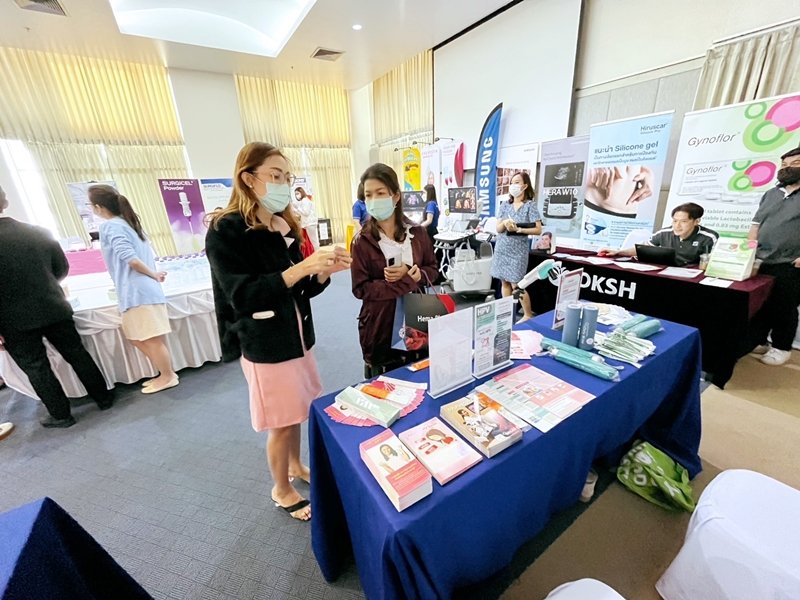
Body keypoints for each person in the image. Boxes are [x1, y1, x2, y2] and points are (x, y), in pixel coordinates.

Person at [205, 142, 351, 521]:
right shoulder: (226, 230)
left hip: (296, 337)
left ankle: (295, 466)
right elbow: (242, 295)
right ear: (248, 178)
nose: (283, 184)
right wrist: (300, 269)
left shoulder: (281, 225)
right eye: (275, 176)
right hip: (266, 344)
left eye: (287, 177)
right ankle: (281, 489)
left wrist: (322, 271)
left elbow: (300, 289)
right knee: (280, 423)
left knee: (296, 412)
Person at [0, 186, 113, 428]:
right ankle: (104, 398)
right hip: (54, 306)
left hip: (12, 321)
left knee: (37, 367)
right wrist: (46, 286)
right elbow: (61, 268)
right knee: (76, 352)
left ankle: (61, 415)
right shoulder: (37, 231)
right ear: (5, 202)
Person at [89, 185, 179, 394]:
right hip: (139, 290)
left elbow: (131, 259)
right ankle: (165, 373)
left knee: (149, 338)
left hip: (138, 291)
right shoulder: (128, 223)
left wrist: (153, 274)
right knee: (138, 337)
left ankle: (167, 376)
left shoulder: (111, 226)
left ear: (98, 207)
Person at [351, 163, 439, 376]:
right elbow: (361, 289)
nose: (373, 200)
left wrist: (413, 273)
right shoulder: (361, 241)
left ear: (396, 196)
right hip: (380, 325)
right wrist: (407, 281)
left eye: (380, 193)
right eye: (368, 195)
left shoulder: (417, 233)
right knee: (383, 384)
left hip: (418, 320)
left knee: (420, 375)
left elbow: (433, 270)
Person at [746, 148, 800, 367]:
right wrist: (749, 251)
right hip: (762, 260)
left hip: (790, 262)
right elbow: (755, 225)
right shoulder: (771, 193)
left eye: (795, 163)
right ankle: (759, 340)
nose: (788, 168)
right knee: (760, 303)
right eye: (784, 164)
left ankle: (782, 347)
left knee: (785, 306)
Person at [491, 172, 542, 321]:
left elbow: (538, 229)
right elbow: (498, 229)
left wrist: (519, 229)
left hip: (518, 251)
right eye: (512, 182)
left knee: (517, 284)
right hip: (502, 248)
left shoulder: (530, 206)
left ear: (525, 186)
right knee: (504, 282)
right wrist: (504, 223)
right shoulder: (505, 205)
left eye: (517, 182)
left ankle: (527, 314)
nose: (513, 185)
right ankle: (506, 313)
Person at [599, 202, 718, 266]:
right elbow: (643, 248)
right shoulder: (664, 233)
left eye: (683, 222)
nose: (677, 226)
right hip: (667, 273)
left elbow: (710, 264)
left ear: (696, 221)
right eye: (674, 221)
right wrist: (618, 252)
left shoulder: (709, 237)